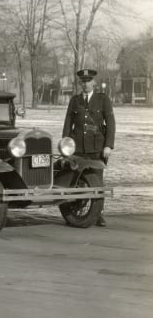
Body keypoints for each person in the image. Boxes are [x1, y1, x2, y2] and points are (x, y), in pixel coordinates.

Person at [62, 68, 115, 227]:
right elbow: (67, 123)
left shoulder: (102, 99)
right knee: (75, 180)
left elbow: (111, 123)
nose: (85, 85)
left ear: (94, 82)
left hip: (96, 148)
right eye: (83, 82)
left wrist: (108, 146)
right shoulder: (75, 100)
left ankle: (98, 214)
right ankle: (73, 210)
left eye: (88, 81)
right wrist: (65, 144)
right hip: (77, 149)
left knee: (97, 181)